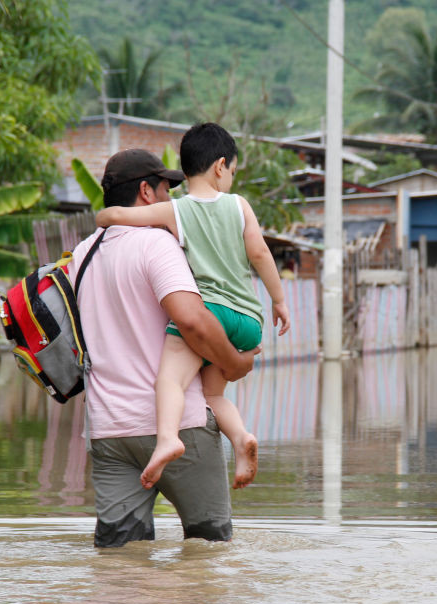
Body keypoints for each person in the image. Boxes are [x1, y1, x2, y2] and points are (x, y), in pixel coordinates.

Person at [70, 148, 258, 547]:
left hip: (109, 429)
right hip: (177, 429)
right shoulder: (157, 245)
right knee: (210, 552)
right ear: (145, 192)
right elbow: (191, 319)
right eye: (166, 189)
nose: (173, 199)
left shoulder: (81, 255)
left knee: (121, 558)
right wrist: (236, 363)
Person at [95, 123, 290, 491]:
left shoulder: (177, 211)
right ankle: (240, 437)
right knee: (213, 395)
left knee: (170, 379)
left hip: (209, 313)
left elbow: (122, 217)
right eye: (232, 171)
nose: (231, 178)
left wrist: (102, 217)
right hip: (249, 320)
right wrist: (279, 301)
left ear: (184, 170)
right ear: (220, 166)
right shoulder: (239, 206)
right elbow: (261, 254)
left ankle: (168, 438)